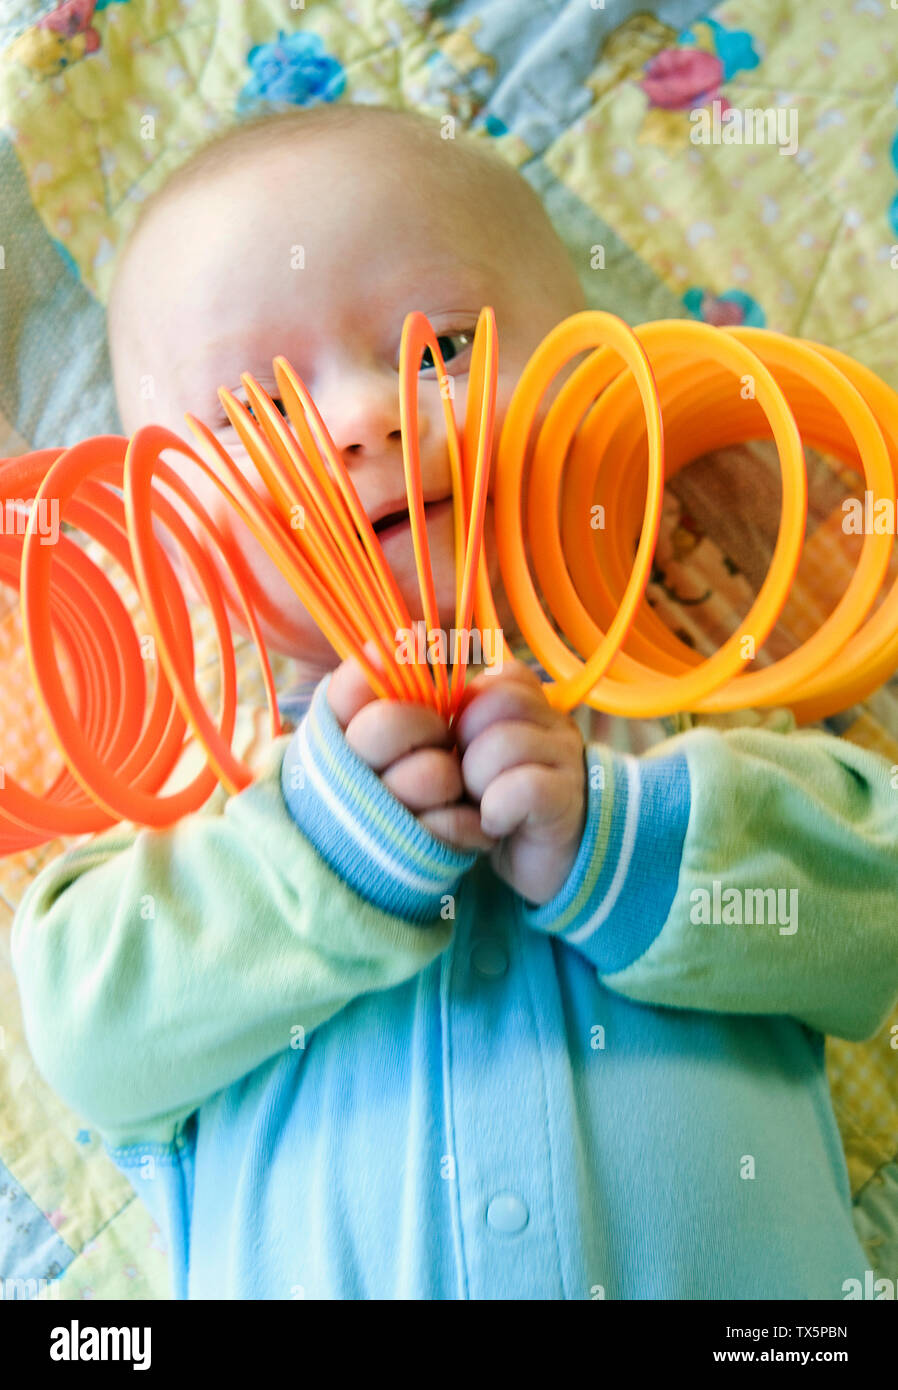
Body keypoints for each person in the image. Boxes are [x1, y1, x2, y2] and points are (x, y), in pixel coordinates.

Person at [11, 103, 898, 1299]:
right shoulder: (198, 808)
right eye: (255, 412)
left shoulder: (683, 716)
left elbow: (869, 918)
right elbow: (86, 1036)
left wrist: (623, 841)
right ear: (168, 530)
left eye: (443, 351)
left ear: (602, 380)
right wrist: (316, 853)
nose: (361, 418)